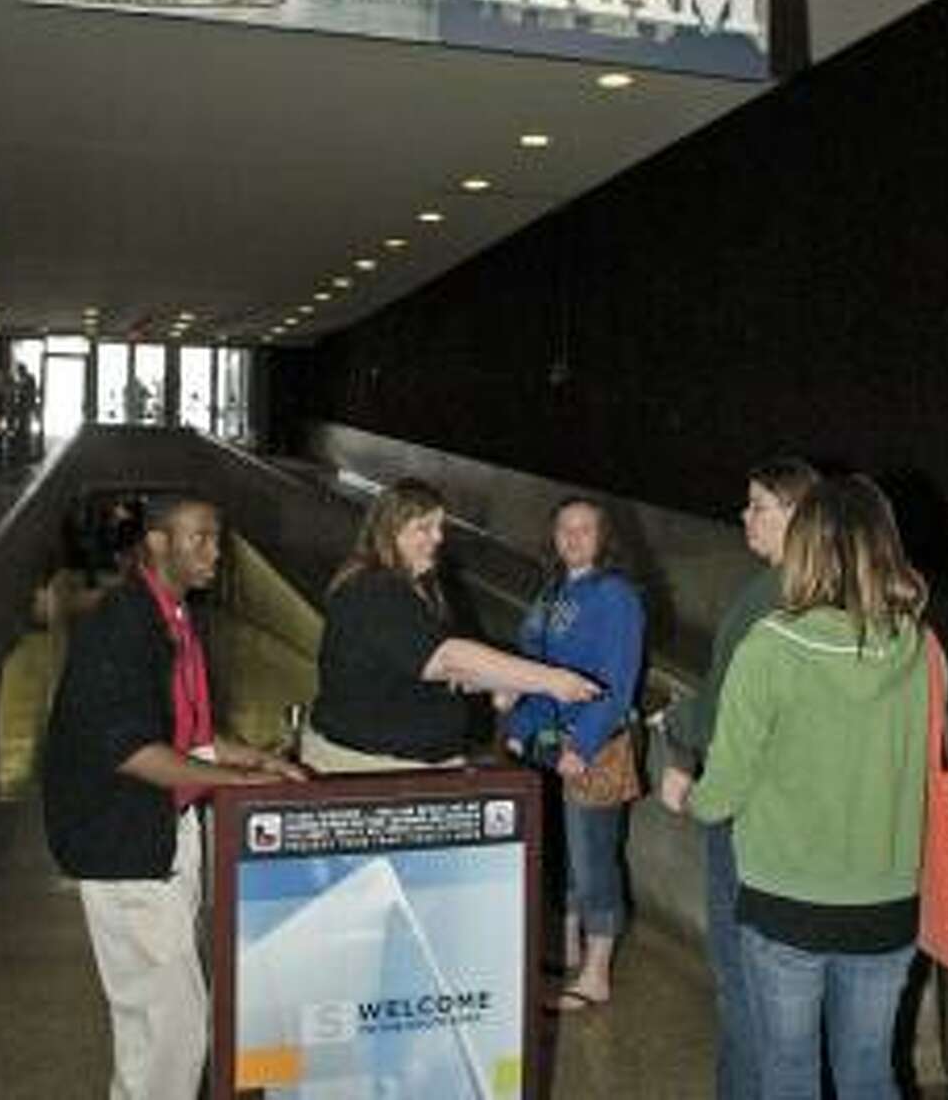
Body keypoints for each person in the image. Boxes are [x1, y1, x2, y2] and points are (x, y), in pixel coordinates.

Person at [43, 494, 304, 1100]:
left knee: (159, 1025)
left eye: (217, 538)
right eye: (200, 538)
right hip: (125, 842)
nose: (215, 552)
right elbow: (132, 750)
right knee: (172, 1030)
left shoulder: (172, 616)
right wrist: (238, 783)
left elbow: (185, 733)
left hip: (164, 833)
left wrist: (255, 758)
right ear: (158, 542)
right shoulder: (121, 627)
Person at [686, 474, 929, 1100]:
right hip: (887, 903)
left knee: (788, 1072)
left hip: (786, 905)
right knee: (870, 1073)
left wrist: (690, 796)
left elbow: (722, 792)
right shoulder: (919, 647)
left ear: (807, 546)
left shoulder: (771, 647)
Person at [659, 456, 819, 1100]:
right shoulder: (842, 592)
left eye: (758, 505)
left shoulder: (766, 596)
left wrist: (677, 735)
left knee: (745, 982)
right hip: (818, 825)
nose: (744, 515)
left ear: (797, 514)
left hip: (749, 814)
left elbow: (723, 708)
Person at [302, 478, 601, 773]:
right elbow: (448, 658)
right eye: (424, 528)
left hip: (402, 762)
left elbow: (441, 670)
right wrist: (552, 680)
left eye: (439, 527)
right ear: (391, 530)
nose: (438, 538)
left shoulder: (415, 586)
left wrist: (502, 680)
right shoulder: (374, 590)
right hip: (371, 768)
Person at [505, 498, 646, 1011]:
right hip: (546, 743)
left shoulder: (616, 596)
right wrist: (521, 727)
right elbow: (534, 667)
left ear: (604, 537)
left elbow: (618, 682)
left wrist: (581, 744)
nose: (574, 537)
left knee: (593, 861)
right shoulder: (553, 591)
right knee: (562, 853)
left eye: (586, 529)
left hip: (594, 747)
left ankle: (597, 972)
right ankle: (566, 949)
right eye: (565, 528)